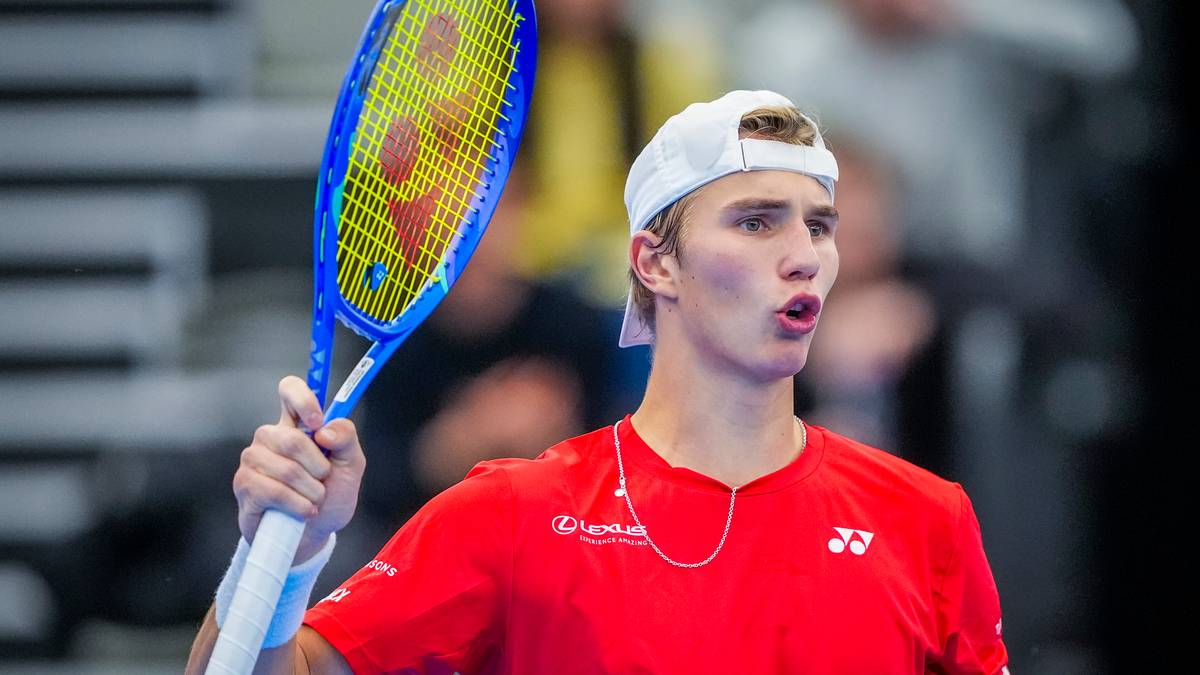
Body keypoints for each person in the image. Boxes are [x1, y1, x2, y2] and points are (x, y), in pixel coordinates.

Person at [187, 90, 1009, 674]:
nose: (805, 254)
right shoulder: (510, 514)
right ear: (656, 263)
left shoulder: (927, 520)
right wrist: (281, 556)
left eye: (819, 225)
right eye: (756, 220)